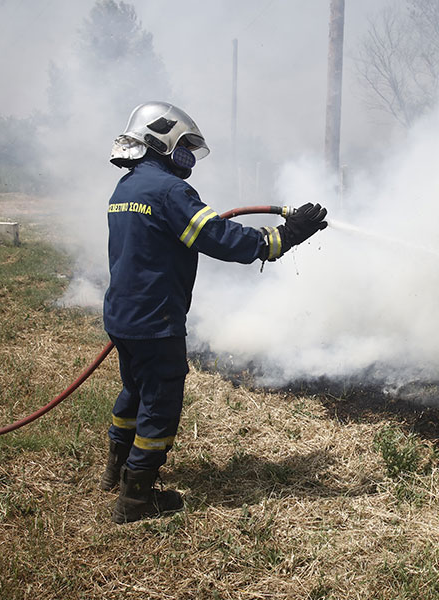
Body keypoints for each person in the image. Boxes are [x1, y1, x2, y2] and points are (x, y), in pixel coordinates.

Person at [99, 101, 328, 524]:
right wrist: (283, 237)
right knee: (160, 401)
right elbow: (218, 236)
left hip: (123, 316)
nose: (188, 156)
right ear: (161, 140)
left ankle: (116, 469)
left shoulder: (127, 187)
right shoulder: (170, 191)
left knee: (134, 390)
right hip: (156, 320)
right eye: (184, 146)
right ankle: (136, 498)